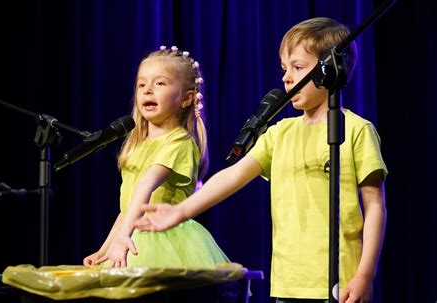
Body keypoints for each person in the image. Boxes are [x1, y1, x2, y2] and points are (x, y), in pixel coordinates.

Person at [133, 17, 387, 303]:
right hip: (288, 283)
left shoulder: (356, 130)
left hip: (340, 283)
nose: (287, 77)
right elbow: (233, 176)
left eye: (298, 68)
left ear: (331, 71)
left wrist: (365, 275)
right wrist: (182, 211)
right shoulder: (279, 134)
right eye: (284, 69)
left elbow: (375, 205)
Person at [83, 45, 230, 269]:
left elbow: (145, 186)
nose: (147, 90)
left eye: (160, 83)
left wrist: (124, 238)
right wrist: (105, 249)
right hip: (132, 236)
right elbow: (129, 208)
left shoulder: (179, 142)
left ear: (187, 98)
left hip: (165, 240)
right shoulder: (138, 145)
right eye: (141, 84)